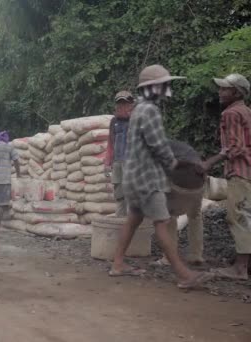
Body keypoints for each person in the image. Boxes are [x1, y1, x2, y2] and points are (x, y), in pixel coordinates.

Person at [109, 64, 213, 289]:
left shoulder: (139, 109)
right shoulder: (150, 111)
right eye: (165, 84)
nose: (167, 87)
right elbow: (158, 145)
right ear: (154, 87)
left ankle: (117, 264)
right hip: (147, 179)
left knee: (133, 218)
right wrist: (178, 165)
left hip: (133, 177)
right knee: (162, 222)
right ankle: (184, 274)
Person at [202, 73, 251, 280]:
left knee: (237, 216)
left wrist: (209, 162)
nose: (220, 92)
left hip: (240, 172)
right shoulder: (246, 111)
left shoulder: (231, 113)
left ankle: (240, 269)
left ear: (236, 92)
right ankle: (242, 264)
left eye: (224, 89)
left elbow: (235, 147)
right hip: (247, 172)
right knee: (246, 216)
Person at [153, 140, 205, 267]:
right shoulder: (180, 146)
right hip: (200, 182)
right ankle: (196, 255)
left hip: (180, 184)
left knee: (169, 216)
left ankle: (168, 257)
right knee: (195, 215)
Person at [105, 90, 136, 216]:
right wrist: (107, 162)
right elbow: (110, 143)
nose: (121, 106)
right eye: (119, 104)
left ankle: (133, 226)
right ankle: (120, 224)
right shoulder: (114, 122)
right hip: (117, 163)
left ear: (131, 105)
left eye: (125, 103)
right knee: (119, 194)